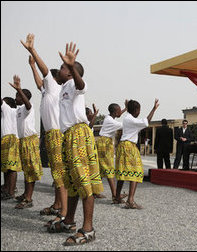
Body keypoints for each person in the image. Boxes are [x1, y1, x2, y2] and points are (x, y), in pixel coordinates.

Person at [21, 33, 69, 230]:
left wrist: (33, 51)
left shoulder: (55, 87)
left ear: (55, 78)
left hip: (56, 134)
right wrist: (31, 66)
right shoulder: (48, 90)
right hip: (50, 134)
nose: (46, 78)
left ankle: (64, 213)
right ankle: (58, 205)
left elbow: (45, 73)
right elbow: (39, 83)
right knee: (57, 175)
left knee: (60, 175)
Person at [57, 42, 104, 245]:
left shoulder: (74, 85)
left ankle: (88, 229)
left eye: (62, 67)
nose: (59, 69)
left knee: (84, 181)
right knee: (73, 182)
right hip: (68, 136)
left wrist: (73, 66)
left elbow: (81, 85)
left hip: (78, 135)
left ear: (70, 73)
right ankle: (68, 221)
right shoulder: (62, 88)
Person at [115, 98, 159, 209]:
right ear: (135, 110)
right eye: (139, 110)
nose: (139, 112)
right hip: (129, 146)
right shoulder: (131, 120)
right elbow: (146, 122)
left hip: (123, 145)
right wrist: (153, 109)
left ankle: (117, 197)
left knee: (122, 172)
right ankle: (130, 200)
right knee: (136, 171)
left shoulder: (127, 118)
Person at [9, 75, 43, 209]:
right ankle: (25, 194)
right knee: (26, 170)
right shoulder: (18, 110)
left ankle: (28, 198)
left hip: (30, 141)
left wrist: (20, 89)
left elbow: (27, 103)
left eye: (18, 96)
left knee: (30, 170)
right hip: (22, 142)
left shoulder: (28, 107)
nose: (16, 98)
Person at [96, 101, 128, 204]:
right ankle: (115, 196)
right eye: (119, 111)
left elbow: (118, 114)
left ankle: (95, 191)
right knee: (109, 169)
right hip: (105, 144)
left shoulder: (108, 118)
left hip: (103, 142)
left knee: (102, 168)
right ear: (114, 112)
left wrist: (125, 108)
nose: (120, 112)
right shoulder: (112, 122)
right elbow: (125, 125)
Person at [1, 97, 21, 201]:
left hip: (10, 139)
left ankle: (11, 192)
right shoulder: (13, 112)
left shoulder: (7, 109)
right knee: (6, 167)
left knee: (11, 168)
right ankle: (7, 188)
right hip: (8, 139)